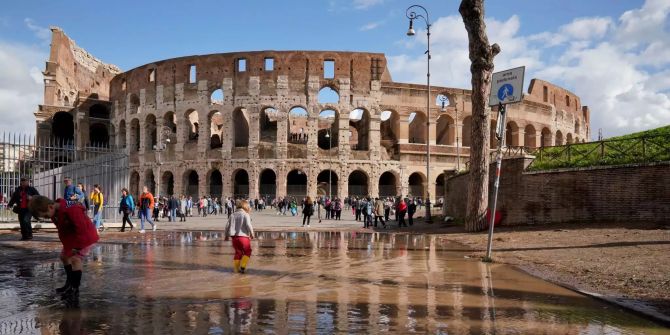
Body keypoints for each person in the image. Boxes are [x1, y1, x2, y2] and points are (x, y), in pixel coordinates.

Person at [29, 195, 99, 304]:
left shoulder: (72, 210)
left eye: (46, 215)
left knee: (75, 259)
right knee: (64, 257)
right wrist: (67, 245)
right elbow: (63, 230)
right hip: (72, 237)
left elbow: (82, 229)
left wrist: (77, 247)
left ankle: (75, 289)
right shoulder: (55, 212)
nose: (47, 218)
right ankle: (69, 284)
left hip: (85, 237)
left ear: (50, 207)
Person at [224, 200, 255, 274]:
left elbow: (227, 226)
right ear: (246, 206)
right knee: (248, 251)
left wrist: (226, 236)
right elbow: (248, 225)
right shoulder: (245, 214)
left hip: (234, 238)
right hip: (243, 237)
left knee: (238, 253)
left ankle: (236, 269)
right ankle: (243, 266)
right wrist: (252, 233)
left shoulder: (232, 215)